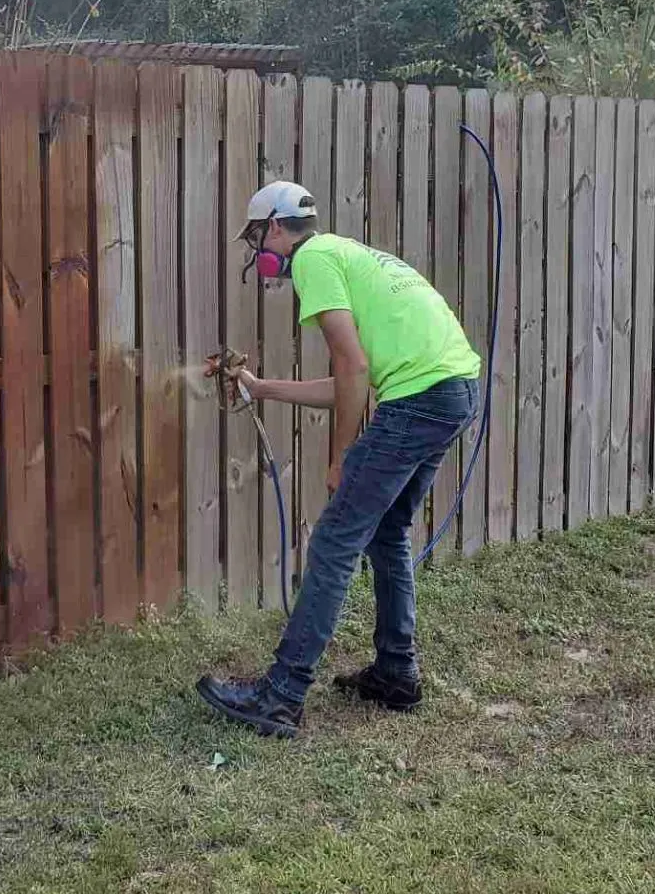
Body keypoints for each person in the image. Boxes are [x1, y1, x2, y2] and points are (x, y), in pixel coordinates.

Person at [195, 180, 482, 738]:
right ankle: (396, 673)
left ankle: (281, 696)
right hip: (454, 388)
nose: (260, 252)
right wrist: (262, 388)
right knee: (388, 530)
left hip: (419, 397)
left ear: (276, 226)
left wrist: (341, 457)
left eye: (258, 237)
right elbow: (352, 379)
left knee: (334, 541)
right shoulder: (350, 253)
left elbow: (351, 370)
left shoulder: (313, 260)